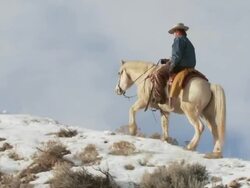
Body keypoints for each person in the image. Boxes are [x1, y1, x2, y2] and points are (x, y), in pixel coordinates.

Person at [151, 23, 196, 111]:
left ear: (178, 32)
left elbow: (177, 57)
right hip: (190, 67)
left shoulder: (178, 40)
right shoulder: (188, 42)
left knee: (158, 73)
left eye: (174, 32)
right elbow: (180, 56)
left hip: (180, 66)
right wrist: (167, 60)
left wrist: (171, 67)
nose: (173, 35)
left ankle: (160, 98)